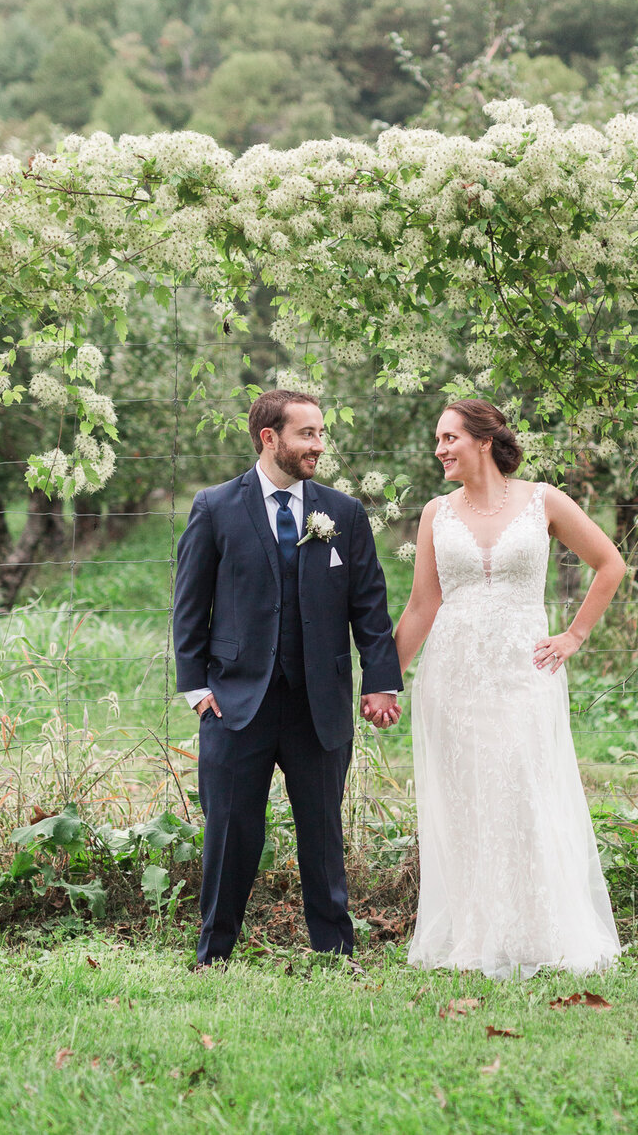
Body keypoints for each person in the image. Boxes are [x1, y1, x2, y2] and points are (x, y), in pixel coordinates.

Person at [395, 398, 626, 978]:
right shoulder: (435, 514)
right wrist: (382, 681)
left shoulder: (542, 500)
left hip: (525, 676)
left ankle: (539, 932)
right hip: (452, 679)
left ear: (483, 440)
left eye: (449, 438)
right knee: (468, 803)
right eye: (437, 439)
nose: (440, 449)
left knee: (525, 793)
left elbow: (609, 563)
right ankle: (477, 936)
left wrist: (574, 635)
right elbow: (424, 604)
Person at [173, 388, 403, 965]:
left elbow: (369, 608)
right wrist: (198, 690)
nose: (318, 445)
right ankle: (214, 953)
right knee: (230, 834)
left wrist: (381, 681)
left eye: (322, 433)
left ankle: (335, 951)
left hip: (318, 704)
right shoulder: (215, 506)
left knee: (322, 834)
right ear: (268, 438)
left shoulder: (343, 514)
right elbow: (188, 605)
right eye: (308, 434)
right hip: (234, 701)